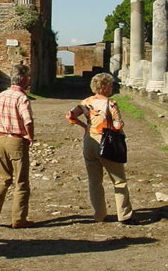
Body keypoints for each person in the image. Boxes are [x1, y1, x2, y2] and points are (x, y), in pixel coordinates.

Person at [65, 72, 137, 225]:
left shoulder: (85, 102)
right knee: (119, 180)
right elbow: (117, 125)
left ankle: (99, 214)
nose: (112, 87)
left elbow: (70, 115)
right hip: (106, 141)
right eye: (110, 85)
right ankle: (124, 215)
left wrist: (85, 126)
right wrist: (119, 126)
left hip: (89, 141)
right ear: (103, 86)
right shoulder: (111, 103)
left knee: (94, 180)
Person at [0, 64, 35, 228]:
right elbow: (28, 121)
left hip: (2, 139)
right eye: (28, 77)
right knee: (21, 182)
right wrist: (30, 136)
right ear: (24, 79)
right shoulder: (21, 98)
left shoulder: (1, 96)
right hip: (16, 140)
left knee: (4, 177)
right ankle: (18, 219)